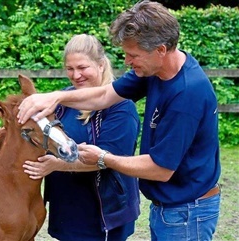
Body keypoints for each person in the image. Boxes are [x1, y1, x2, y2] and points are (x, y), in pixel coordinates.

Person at [17, 1, 221, 241]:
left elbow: (161, 169)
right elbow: (105, 95)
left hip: (186, 212)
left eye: (133, 55)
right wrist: (57, 96)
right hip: (168, 207)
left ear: (161, 50)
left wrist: (103, 158)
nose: (126, 61)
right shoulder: (156, 71)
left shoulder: (187, 95)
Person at [23, 34, 141, 241]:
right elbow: (45, 136)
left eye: (82, 67)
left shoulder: (122, 107)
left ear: (101, 65)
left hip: (104, 212)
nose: (76, 75)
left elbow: (109, 159)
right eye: (70, 69)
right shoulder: (63, 100)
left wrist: (55, 165)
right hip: (67, 207)